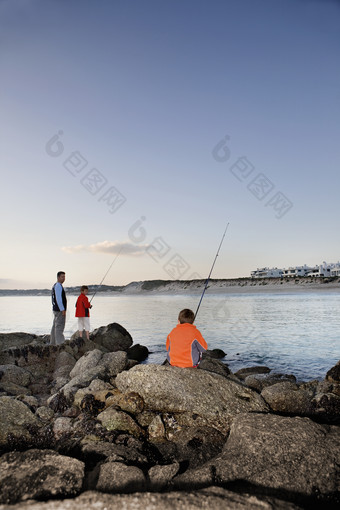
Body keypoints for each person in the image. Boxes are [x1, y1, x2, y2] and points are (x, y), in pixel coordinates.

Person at [50, 271, 67, 345]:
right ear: (58, 277)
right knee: (59, 327)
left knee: (55, 326)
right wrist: (62, 309)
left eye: (64, 277)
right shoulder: (58, 286)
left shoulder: (55, 285)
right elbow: (58, 299)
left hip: (56, 309)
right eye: (62, 277)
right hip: (59, 310)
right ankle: (60, 344)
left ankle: (53, 343)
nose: (64, 278)